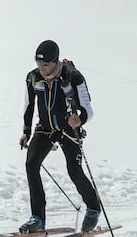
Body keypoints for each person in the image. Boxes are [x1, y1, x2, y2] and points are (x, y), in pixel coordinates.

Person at [19, 40, 100, 233]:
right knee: (31, 165)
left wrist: (80, 119)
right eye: (38, 63)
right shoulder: (33, 77)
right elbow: (29, 104)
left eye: (45, 64)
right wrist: (26, 131)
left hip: (69, 130)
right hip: (45, 129)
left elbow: (88, 108)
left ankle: (93, 207)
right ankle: (37, 218)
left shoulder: (73, 77)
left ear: (55, 62)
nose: (41, 67)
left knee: (74, 170)